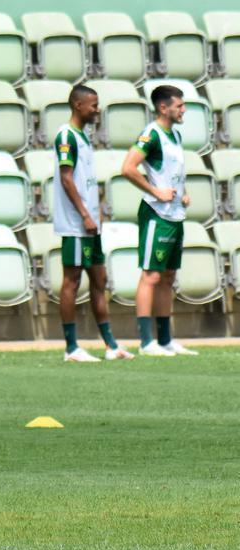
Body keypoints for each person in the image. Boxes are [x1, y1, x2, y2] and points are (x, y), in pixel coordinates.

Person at [52, 85, 132, 362]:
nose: (97, 109)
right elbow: (66, 178)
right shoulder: (66, 136)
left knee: (99, 279)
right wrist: (85, 214)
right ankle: (71, 347)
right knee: (72, 282)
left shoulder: (83, 137)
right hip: (76, 224)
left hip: (90, 224)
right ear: (78, 105)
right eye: (93, 104)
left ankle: (111, 345)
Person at [121, 84, 197, 356]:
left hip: (175, 213)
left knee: (167, 276)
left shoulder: (174, 135)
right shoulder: (151, 134)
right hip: (157, 214)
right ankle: (146, 341)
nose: (183, 109)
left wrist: (183, 194)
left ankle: (165, 339)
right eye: (179, 105)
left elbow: (171, 172)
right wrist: (155, 191)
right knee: (151, 275)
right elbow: (128, 168)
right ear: (163, 107)